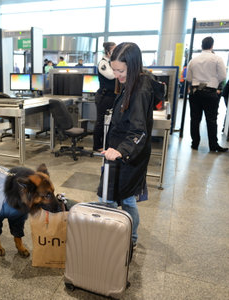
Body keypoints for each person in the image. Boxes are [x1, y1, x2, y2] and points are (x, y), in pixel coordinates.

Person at [97, 42, 156, 248]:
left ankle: (130, 239)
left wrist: (121, 150)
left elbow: (139, 131)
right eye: (114, 70)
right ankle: (117, 236)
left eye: (121, 71)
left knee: (126, 200)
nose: (117, 75)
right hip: (120, 152)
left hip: (130, 156)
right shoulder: (131, 84)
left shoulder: (140, 89)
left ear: (133, 65)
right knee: (110, 195)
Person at [186, 36, 228, 152]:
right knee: (211, 119)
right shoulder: (217, 59)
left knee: (194, 119)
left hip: (195, 91)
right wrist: (213, 81)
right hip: (210, 92)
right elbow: (223, 76)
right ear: (212, 46)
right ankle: (213, 145)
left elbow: (188, 77)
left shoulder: (193, 60)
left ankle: (195, 144)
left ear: (201, 46)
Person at [93, 41, 117, 152]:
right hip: (104, 96)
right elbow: (111, 75)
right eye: (114, 50)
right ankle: (97, 145)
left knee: (110, 122)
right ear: (108, 52)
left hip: (112, 96)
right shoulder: (103, 63)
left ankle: (107, 144)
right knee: (101, 122)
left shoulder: (112, 63)